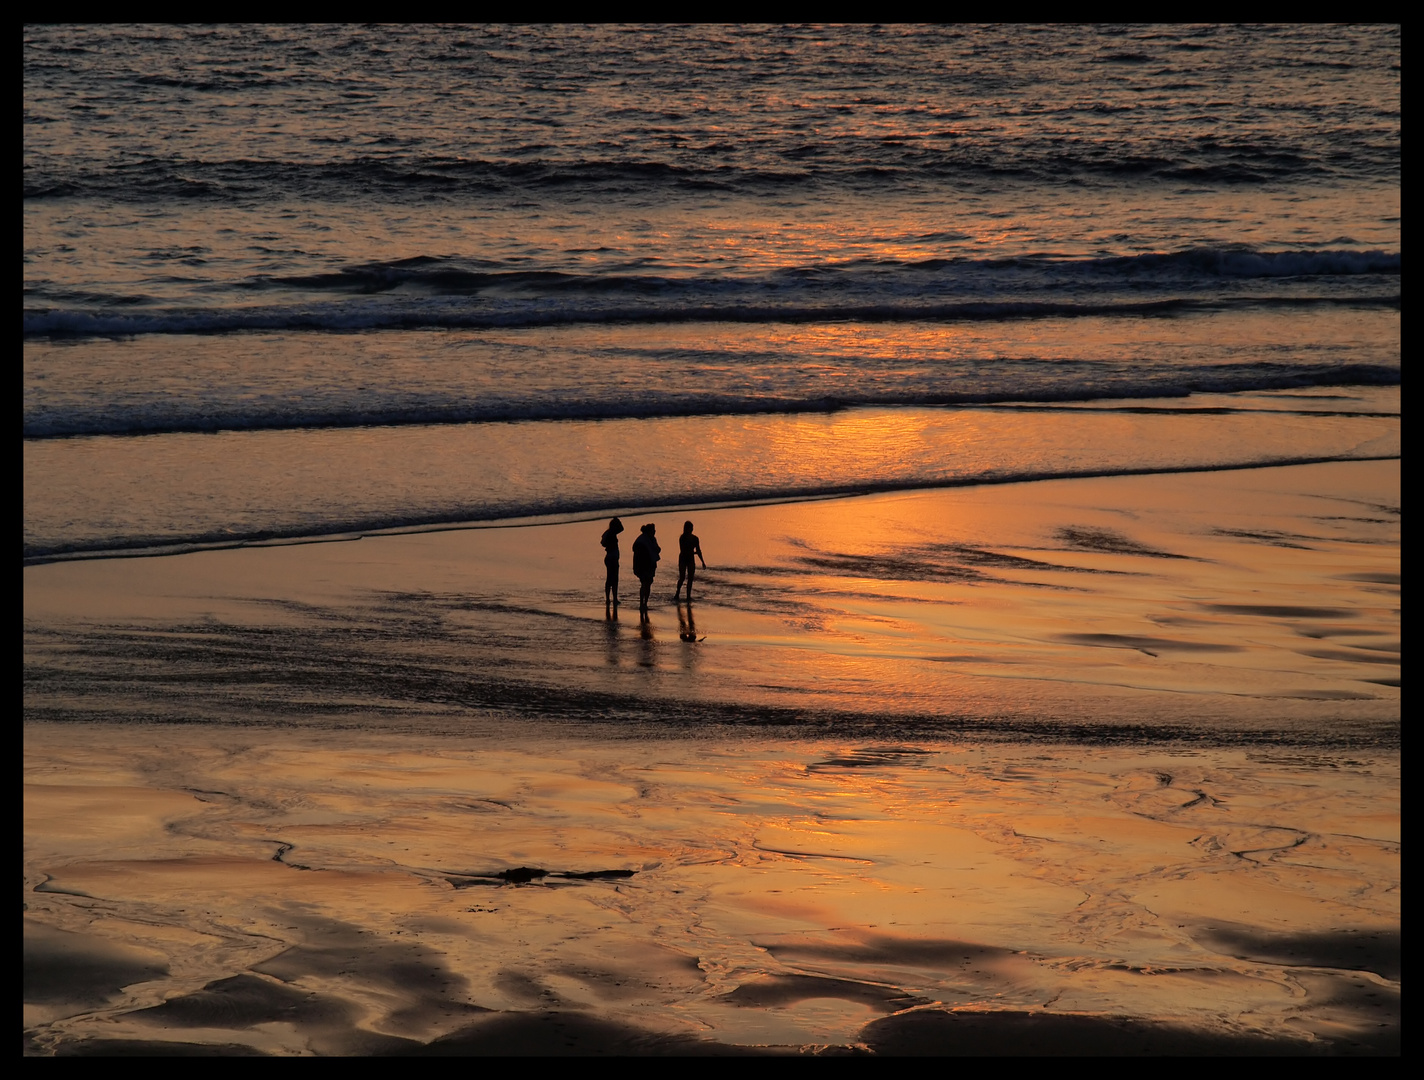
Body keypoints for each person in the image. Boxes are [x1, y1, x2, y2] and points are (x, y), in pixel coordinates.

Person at [673, 520, 707, 602]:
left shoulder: (695, 538)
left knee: (691, 578)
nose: (691, 529)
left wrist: (702, 561)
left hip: (691, 559)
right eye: (690, 528)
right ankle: (677, 593)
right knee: (682, 577)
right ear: (686, 528)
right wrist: (694, 552)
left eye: (692, 528)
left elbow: (698, 550)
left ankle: (688, 596)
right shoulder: (682, 538)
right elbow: (683, 550)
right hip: (683, 559)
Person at [631, 523, 660, 613]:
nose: (655, 531)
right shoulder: (642, 540)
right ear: (649, 531)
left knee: (648, 583)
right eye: (653, 530)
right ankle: (641, 604)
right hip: (643, 565)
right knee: (645, 584)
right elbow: (636, 550)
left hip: (650, 564)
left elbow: (657, 549)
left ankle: (645, 603)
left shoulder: (651, 539)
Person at [600, 517, 624, 610]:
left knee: (611, 579)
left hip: (610, 558)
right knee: (613, 579)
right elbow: (622, 528)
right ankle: (611, 598)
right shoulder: (611, 533)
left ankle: (611, 598)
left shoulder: (609, 532)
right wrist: (618, 522)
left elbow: (602, 542)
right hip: (612, 559)